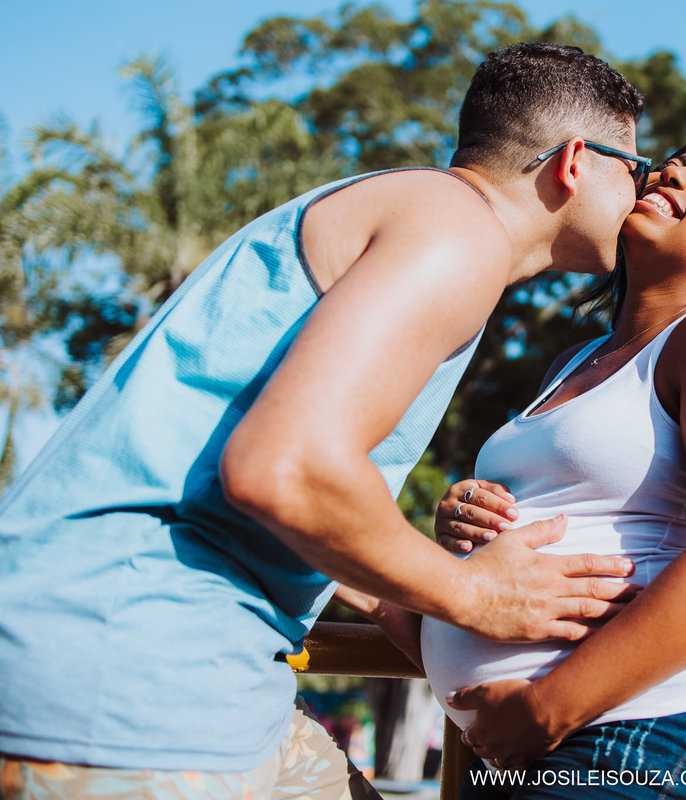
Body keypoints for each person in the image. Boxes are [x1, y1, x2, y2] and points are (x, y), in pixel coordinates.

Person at [0, 43, 650, 799]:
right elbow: (282, 470)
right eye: (633, 168)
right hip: (126, 678)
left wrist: (398, 601)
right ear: (575, 162)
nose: (642, 192)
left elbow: (264, 475)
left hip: (206, 673)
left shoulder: (409, 213)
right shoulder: (456, 230)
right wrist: (476, 597)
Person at [420, 133, 686, 798]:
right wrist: (470, 520)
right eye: (672, 165)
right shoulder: (571, 361)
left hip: (645, 731)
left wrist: (547, 708)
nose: (674, 175)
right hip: (520, 742)